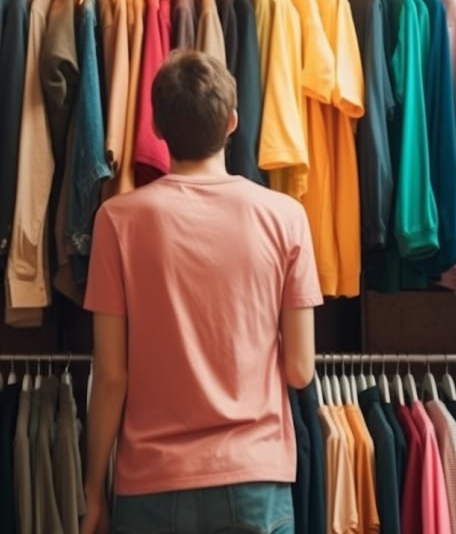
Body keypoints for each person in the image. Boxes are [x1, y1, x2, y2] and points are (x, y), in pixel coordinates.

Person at [81, 50, 321, 534]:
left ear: (159, 128)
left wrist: (92, 492)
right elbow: (299, 370)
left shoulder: (117, 222)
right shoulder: (285, 217)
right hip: (256, 476)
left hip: (151, 483)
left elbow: (110, 376)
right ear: (232, 122)